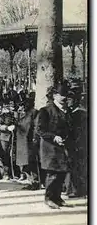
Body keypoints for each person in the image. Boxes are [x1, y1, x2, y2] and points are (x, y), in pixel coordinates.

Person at [35, 81, 72, 209]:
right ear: (55, 95)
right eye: (62, 95)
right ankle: (49, 198)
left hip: (63, 147)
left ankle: (57, 197)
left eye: (66, 95)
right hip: (50, 147)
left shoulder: (67, 110)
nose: (65, 97)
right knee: (53, 174)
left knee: (62, 173)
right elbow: (40, 130)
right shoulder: (45, 111)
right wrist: (54, 137)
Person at [66, 89, 87, 198]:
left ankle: (80, 190)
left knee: (79, 167)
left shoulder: (81, 113)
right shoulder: (69, 112)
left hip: (79, 144)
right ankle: (72, 189)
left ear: (75, 101)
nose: (67, 101)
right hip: (71, 144)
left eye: (70, 99)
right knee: (72, 167)